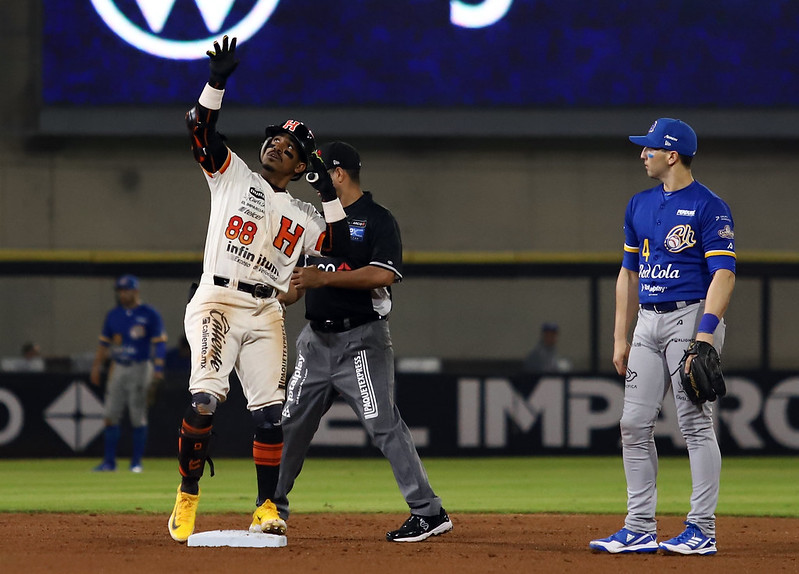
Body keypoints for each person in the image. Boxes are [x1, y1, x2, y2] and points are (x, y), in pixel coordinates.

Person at [167, 36, 350, 543]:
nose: (278, 146)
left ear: (299, 167)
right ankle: (187, 493)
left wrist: (327, 191)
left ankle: (267, 505)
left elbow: (339, 244)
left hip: (266, 310)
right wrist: (216, 82)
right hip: (218, 299)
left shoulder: (305, 214)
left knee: (271, 414)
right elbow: (200, 131)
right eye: (274, 139)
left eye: (290, 148)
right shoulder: (233, 175)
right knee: (205, 402)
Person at [274, 141, 453, 543]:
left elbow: (383, 275)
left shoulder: (376, 219)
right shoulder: (316, 221)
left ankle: (429, 512)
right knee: (291, 425)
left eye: (321, 172)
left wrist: (326, 278)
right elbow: (297, 286)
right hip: (314, 341)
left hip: (361, 340)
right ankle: (270, 508)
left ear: (339, 173)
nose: (314, 179)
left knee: (383, 424)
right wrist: (268, 293)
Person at [589, 119, 736, 556]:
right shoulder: (638, 204)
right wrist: (620, 337)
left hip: (690, 318)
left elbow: (724, 274)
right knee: (633, 424)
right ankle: (638, 527)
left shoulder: (709, 206)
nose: (642, 154)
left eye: (649, 148)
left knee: (694, 423)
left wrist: (705, 336)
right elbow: (628, 273)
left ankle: (702, 529)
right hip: (647, 324)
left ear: (671, 154)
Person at [90, 274, 167, 473]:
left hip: (140, 366)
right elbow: (103, 344)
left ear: (136, 291)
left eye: (127, 290)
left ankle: (136, 463)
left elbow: (159, 343)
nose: (123, 294)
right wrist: (96, 366)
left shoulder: (149, 313)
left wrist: (158, 368)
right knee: (110, 415)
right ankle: (109, 462)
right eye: (121, 290)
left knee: (137, 415)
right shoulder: (113, 314)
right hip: (118, 366)